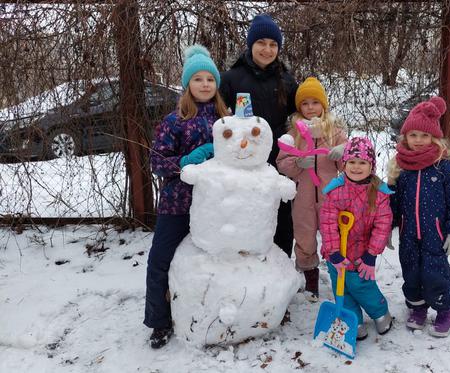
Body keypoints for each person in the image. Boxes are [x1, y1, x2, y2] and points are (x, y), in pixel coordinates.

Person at [144, 44, 229, 349]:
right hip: (177, 204)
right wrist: (184, 161)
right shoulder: (174, 120)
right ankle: (159, 320)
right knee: (160, 261)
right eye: (198, 79)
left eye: (210, 78)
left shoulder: (226, 119)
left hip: (216, 204)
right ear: (187, 84)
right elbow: (156, 162)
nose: (205, 84)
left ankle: (214, 315)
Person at [387, 96, 450, 338]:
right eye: (413, 135)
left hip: (437, 235)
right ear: (405, 138)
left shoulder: (444, 167)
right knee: (410, 271)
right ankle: (417, 308)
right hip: (408, 234)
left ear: (434, 138)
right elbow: (391, 200)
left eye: (424, 136)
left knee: (436, 273)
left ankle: (444, 310)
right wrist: (387, 227)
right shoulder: (401, 167)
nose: (419, 141)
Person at [220, 14, 297, 257]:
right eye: (261, 43)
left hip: (278, 160)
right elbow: (217, 118)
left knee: (282, 216)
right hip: (244, 160)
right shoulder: (231, 78)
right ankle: (246, 263)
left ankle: (281, 265)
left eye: (273, 44)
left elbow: (300, 116)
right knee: (246, 213)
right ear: (250, 45)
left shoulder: (286, 79)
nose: (267, 49)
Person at [276, 77, 347, 302]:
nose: (310, 108)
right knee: (304, 237)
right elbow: (282, 162)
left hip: (330, 196)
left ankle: (339, 279)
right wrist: (297, 164)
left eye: (315, 103)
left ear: (323, 105)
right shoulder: (293, 133)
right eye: (305, 103)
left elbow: (352, 165)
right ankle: (311, 280)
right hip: (303, 196)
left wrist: (342, 152)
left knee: (332, 237)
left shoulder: (334, 131)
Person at [319, 137, 393, 340]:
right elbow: (327, 223)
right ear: (344, 164)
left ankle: (380, 313)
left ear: (372, 165)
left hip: (362, 254)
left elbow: (383, 225)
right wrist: (333, 252)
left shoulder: (379, 193)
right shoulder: (335, 191)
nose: (357, 167)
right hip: (337, 254)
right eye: (352, 162)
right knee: (341, 288)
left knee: (362, 286)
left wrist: (371, 255)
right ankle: (353, 320)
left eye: (362, 163)